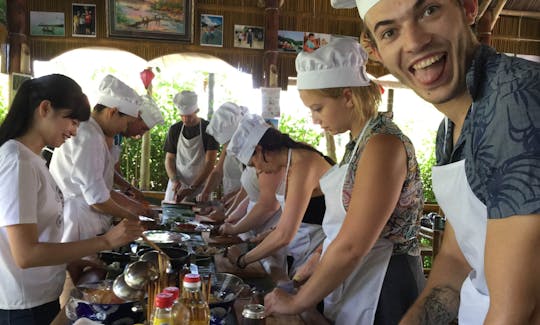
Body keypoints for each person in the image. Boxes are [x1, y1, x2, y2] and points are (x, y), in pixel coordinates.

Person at [336, 0, 540, 323]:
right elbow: (454, 265)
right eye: (390, 32)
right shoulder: (450, 130)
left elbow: (517, 312)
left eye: (429, 11)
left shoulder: (515, 100)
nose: (415, 42)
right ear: (378, 51)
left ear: (469, 8)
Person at [264, 37, 425, 324]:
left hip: (385, 281)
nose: (314, 119)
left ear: (348, 96)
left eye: (318, 108)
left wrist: (298, 301)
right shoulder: (358, 142)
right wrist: (316, 259)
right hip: (360, 274)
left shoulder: (383, 144)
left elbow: (352, 245)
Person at [0, 74, 143, 325]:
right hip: (22, 305)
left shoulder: (32, 159)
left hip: (39, 295)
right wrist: (106, 240)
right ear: (45, 109)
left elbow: (40, 237)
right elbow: (25, 254)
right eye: (73, 121)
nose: (75, 131)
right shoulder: (17, 161)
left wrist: (70, 259)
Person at [226, 114, 331, 276]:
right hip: (303, 244)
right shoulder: (291, 160)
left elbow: (285, 235)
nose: (259, 170)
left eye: (254, 164)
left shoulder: (303, 164)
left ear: (260, 151)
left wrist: (243, 260)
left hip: (320, 246)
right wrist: (270, 233)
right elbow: (291, 216)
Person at [50, 74, 142, 243]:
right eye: (127, 123)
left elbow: (102, 188)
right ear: (112, 112)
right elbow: (97, 199)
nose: (125, 129)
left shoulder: (95, 133)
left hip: (85, 218)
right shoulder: (89, 135)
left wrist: (135, 210)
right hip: (79, 221)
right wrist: (132, 216)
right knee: (80, 266)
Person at [163, 90, 218, 203]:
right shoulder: (175, 129)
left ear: (196, 111)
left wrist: (193, 187)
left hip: (201, 187)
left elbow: (210, 163)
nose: (185, 120)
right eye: (182, 116)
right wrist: (174, 180)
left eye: (188, 116)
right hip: (177, 186)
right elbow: (169, 158)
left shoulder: (208, 129)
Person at [111, 94, 164, 203]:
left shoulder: (118, 136)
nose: (140, 134)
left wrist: (127, 188)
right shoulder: (105, 134)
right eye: (142, 129)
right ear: (134, 118)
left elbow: (113, 168)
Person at [198, 102, 247, 203]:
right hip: (230, 202)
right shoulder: (228, 146)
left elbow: (250, 187)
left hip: (244, 203)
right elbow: (217, 172)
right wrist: (206, 192)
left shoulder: (250, 150)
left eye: (228, 143)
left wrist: (228, 199)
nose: (226, 146)